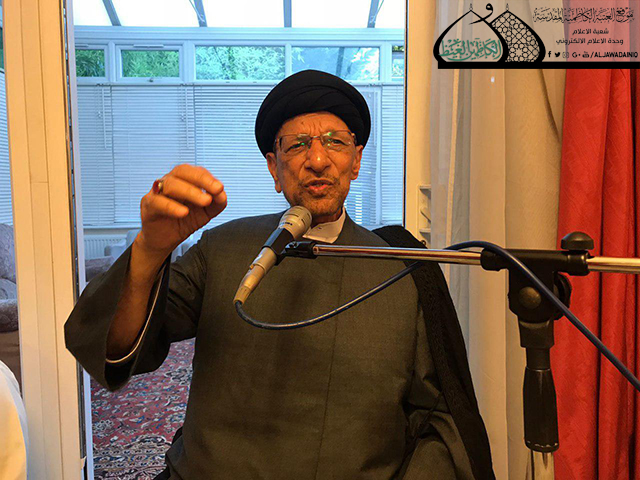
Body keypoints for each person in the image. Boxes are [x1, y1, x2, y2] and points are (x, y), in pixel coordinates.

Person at [65, 70, 493, 479]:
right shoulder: (222, 248)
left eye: (335, 142)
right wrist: (150, 249)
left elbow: (436, 420)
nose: (318, 160)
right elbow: (121, 344)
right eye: (297, 145)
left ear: (356, 160)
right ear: (274, 168)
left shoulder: (403, 270)